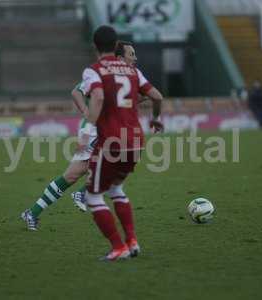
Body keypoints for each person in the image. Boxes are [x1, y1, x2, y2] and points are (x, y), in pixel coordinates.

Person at [21, 40, 152, 230]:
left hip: (108, 128)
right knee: (83, 172)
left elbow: (133, 99)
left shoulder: (129, 77)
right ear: (120, 57)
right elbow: (76, 92)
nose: (135, 58)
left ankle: (38, 210)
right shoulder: (101, 73)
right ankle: (44, 208)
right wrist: (85, 111)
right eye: (132, 54)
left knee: (103, 168)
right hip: (93, 131)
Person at [82, 25, 164, 261]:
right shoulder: (132, 71)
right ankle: (132, 242)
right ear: (116, 43)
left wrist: (86, 132)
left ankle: (119, 248)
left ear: (94, 45)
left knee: (93, 196)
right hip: (136, 141)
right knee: (116, 187)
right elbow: (157, 96)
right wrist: (156, 119)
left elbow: (97, 97)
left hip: (111, 143)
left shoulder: (93, 70)